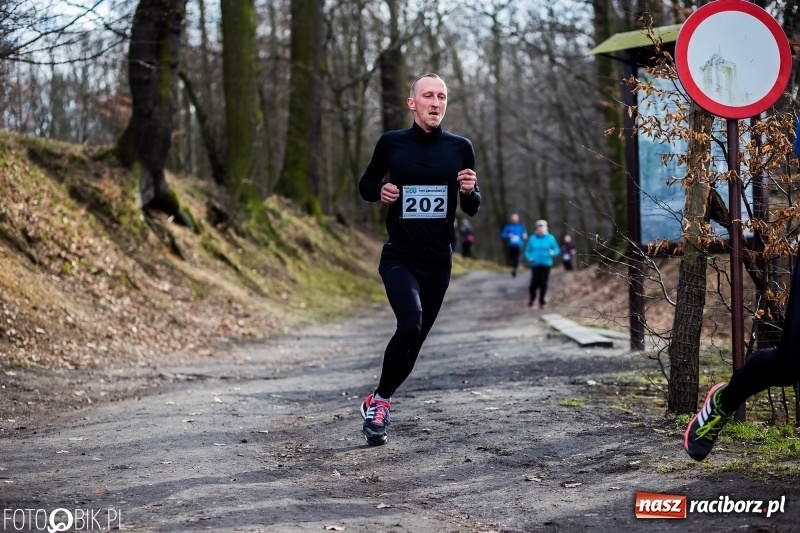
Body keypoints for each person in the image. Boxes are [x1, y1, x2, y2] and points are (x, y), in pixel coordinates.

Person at [357, 73, 481, 446]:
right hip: (400, 255)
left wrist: (471, 192)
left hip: (438, 261)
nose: (435, 102)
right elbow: (366, 185)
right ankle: (380, 405)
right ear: (413, 103)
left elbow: (473, 207)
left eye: (441, 97)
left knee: (416, 340)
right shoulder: (392, 142)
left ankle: (379, 397)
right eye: (428, 95)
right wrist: (382, 190)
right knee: (409, 324)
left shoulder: (461, 147)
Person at [522, 219, 559, 309]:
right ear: (537, 228)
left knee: (543, 282)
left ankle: (541, 301)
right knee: (534, 283)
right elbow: (527, 251)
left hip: (546, 263)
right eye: (539, 227)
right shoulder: (532, 238)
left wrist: (552, 252)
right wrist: (529, 257)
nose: (540, 229)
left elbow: (557, 249)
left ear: (546, 228)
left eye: (542, 227)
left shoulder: (550, 238)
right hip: (535, 263)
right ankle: (532, 297)